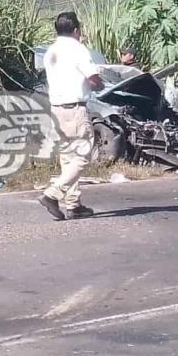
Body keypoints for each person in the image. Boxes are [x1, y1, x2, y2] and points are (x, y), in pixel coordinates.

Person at [38, 12, 105, 220]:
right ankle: (52, 194)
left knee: (68, 158)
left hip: (56, 108)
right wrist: (100, 84)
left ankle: (74, 204)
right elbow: (93, 78)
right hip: (75, 108)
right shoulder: (78, 49)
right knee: (83, 156)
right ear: (76, 30)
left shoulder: (51, 51)